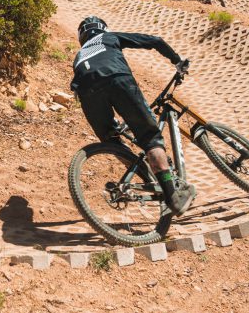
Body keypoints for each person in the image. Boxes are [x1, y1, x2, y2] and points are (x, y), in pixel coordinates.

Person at [70, 16, 196, 215]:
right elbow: (155, 41)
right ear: (103, 28)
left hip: (86, 93)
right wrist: (177, 61)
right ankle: (173, 196)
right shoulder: (108, 37)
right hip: (117, 78)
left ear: (81, 37)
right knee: (150, 139)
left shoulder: (79, 56)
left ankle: (145, 174)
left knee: (112, 140)